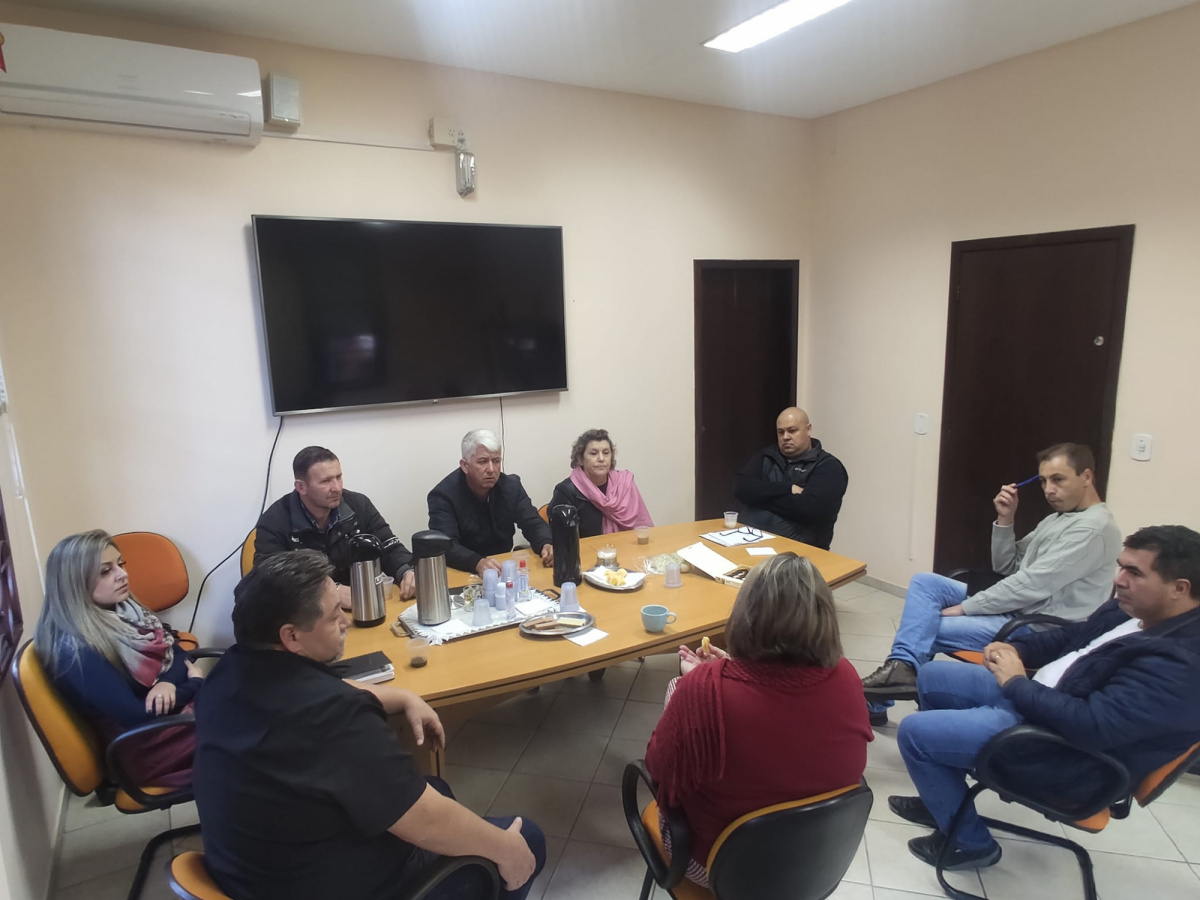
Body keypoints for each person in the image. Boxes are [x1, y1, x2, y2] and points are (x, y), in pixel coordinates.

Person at [193, 551, 547, 900]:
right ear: (292, 637)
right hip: (331, 885)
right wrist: (505, 849)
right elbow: (423, 820)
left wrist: (402, 696)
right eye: (334, 615)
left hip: (252, 874)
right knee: (524, 840)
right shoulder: (332, 717)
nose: (345, 622)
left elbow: (331, 689)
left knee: (435, 788)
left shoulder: (226, 674)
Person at [890, 525, 1200, 871]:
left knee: (915, 734)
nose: (1119, 580)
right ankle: (944, 799)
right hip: (1040, 702)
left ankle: (970, 844)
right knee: (931, 677)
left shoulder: (1181, 664)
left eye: (1134, 572)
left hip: (1062, 750)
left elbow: (1092, 726)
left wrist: (1017, 684)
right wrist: (1017, 648)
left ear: (1180, 588)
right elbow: (1073, 637)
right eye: (1121, 567)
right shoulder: (1131, 611)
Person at [644, 553, 872, 886]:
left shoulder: (702, 692)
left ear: (746, 615)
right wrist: (726, 671)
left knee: (675, 687)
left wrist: (695, 687)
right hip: (816, 861)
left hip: (721, 869)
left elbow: (658, 767)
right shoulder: (847, 676)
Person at [861, 443, 1121, 724]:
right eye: (1044, 481)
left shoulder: (1093, 529)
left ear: (1086, 477)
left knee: (929, 628)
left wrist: (966, 607)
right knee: (925, 583)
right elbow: (1008, 566)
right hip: (1021, 605)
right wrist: (1005, 519)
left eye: (1058, 480)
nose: (1048, 490)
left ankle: (880, 698)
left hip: (1037, 625)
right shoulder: (1059, 518)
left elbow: (1029, 584)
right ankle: (898, 673)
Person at [33, 530, 203, 786]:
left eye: (120, 564)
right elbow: (138, 716)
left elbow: (175, 651)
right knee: (252, 726)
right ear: (75, 582)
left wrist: (168, 683)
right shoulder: (77, 650)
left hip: (170, 720)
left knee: (250, 707)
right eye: (105, 571)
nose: (123, 574)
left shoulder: (125, 611)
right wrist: (194, 684)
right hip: (148, 746)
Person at [255, 446, 416, 607]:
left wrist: (406, 570)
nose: (337, 488)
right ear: (301, 487)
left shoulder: (359, 505)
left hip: (361, 607)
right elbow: (270, 581)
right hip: (308, 612)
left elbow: (389, 547)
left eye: (339, 477)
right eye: (326, 481)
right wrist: (329, 590)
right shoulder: (274, 522)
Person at [428, 429, 553, 575]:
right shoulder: (443, 496)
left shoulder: (511, 487)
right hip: (463, 570)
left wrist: (546, 543)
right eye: (482, 462)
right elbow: (446, 546)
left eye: (496, 461)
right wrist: (477, 562)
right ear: (465, 465)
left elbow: (532, 522)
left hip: (502, 568)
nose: (491, 469)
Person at [733, 407, 848, 550]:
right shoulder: (767, 456)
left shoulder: (829, 466)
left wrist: (759, 497)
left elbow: (810, 509)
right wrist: (788, 488)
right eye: (780, 432)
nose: (785, 437)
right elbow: (741, 488)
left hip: (801, 553)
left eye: (792, 431)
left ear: (808, 429)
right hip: (749, 542)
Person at [549, 428, 653, 538]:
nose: (601, 459)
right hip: (587, 548)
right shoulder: (566, 491)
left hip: (628, 545)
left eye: (606, 453)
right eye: (594, 453)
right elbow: (562, 539)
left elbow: (642, 526)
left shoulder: (624, 484)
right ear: (580, 459)